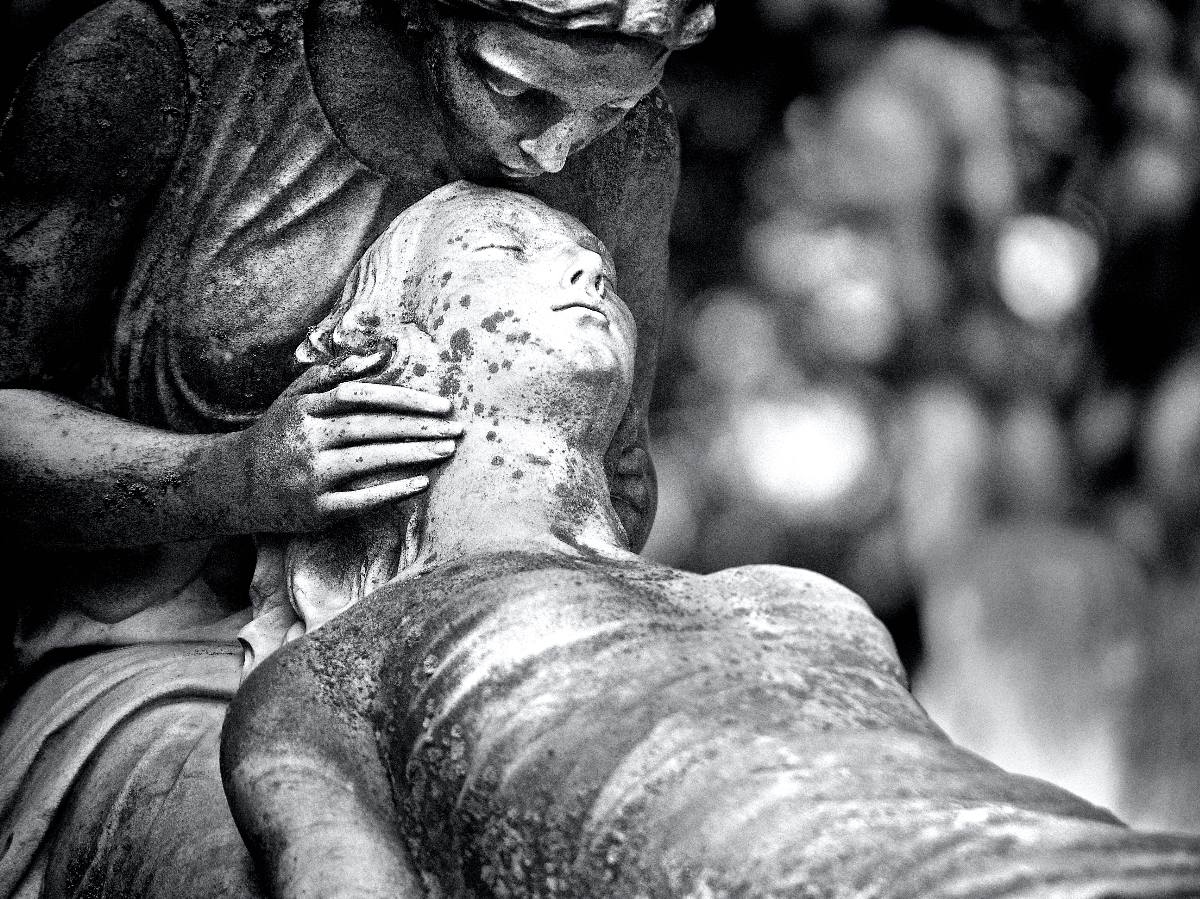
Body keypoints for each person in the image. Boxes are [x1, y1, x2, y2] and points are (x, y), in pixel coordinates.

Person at [224, 183, 1200, 899]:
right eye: (499, 254)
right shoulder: (328, 677)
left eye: (596, 269)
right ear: (383, 350)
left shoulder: (790, 592)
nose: (581, 271)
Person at [0, 0, 713, 894]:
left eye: (608, 109)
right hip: (168, 651)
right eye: (512, 85)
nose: (554, 153)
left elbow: (618, 476)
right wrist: (224, 478)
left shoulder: (631, 146)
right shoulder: (161, 66)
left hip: (464, 657)